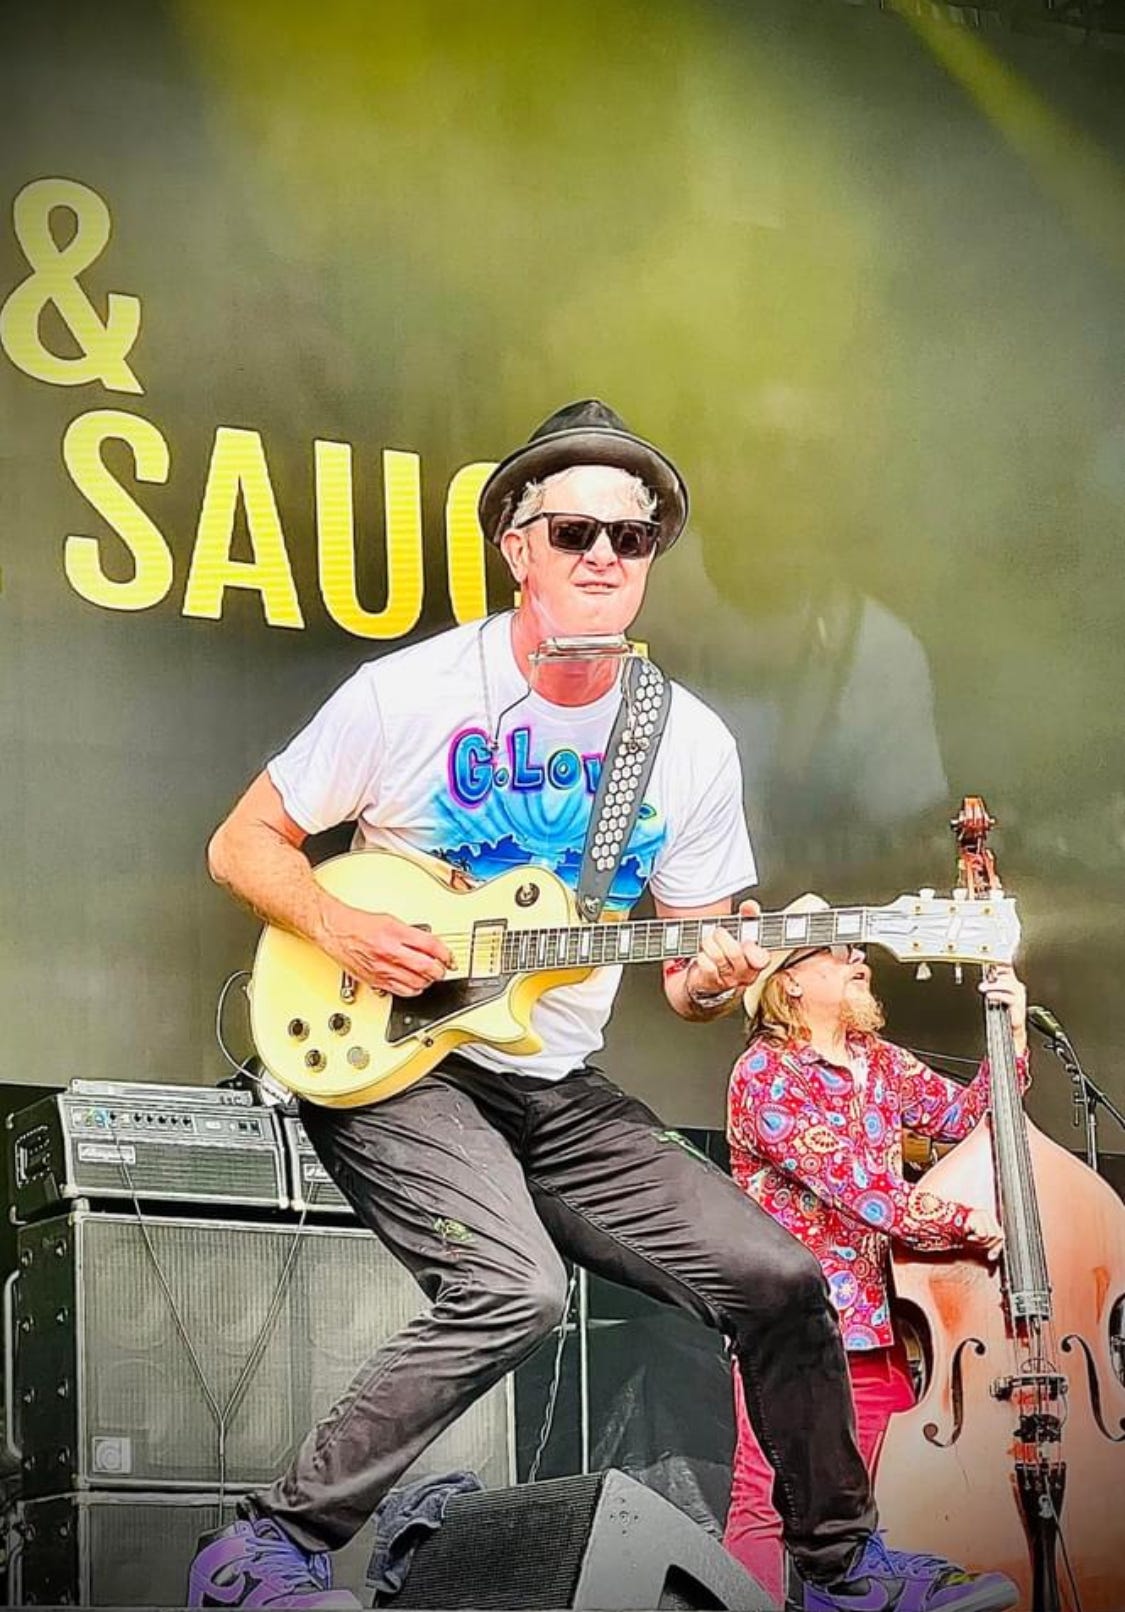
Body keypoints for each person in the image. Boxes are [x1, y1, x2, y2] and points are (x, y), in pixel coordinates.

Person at [189, 400, 1017, 1612]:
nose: (602, 556)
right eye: (573, 528)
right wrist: (340, 921)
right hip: (396, 1055)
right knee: (512, 1289)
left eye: (630, 539)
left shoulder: (681, 744)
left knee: (782, 1281)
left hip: (552, 1083)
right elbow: (241, 843)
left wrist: (724, 969)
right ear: (517, 546)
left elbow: (687, 981)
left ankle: (839, 1575)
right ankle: (265, 1544)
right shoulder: (408, 693)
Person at [723, 893, 1028, 1606]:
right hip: (791, 1330)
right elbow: (858, 1188)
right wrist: (962, 1221)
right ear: (790, 979)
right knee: (766, 1500)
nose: (860, 959)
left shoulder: (877, 1060)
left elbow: (968, 1117)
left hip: (873, 1325)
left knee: (864, 1515)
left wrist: (1008, 1030)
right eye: (839, 949)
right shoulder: (765, 1075)